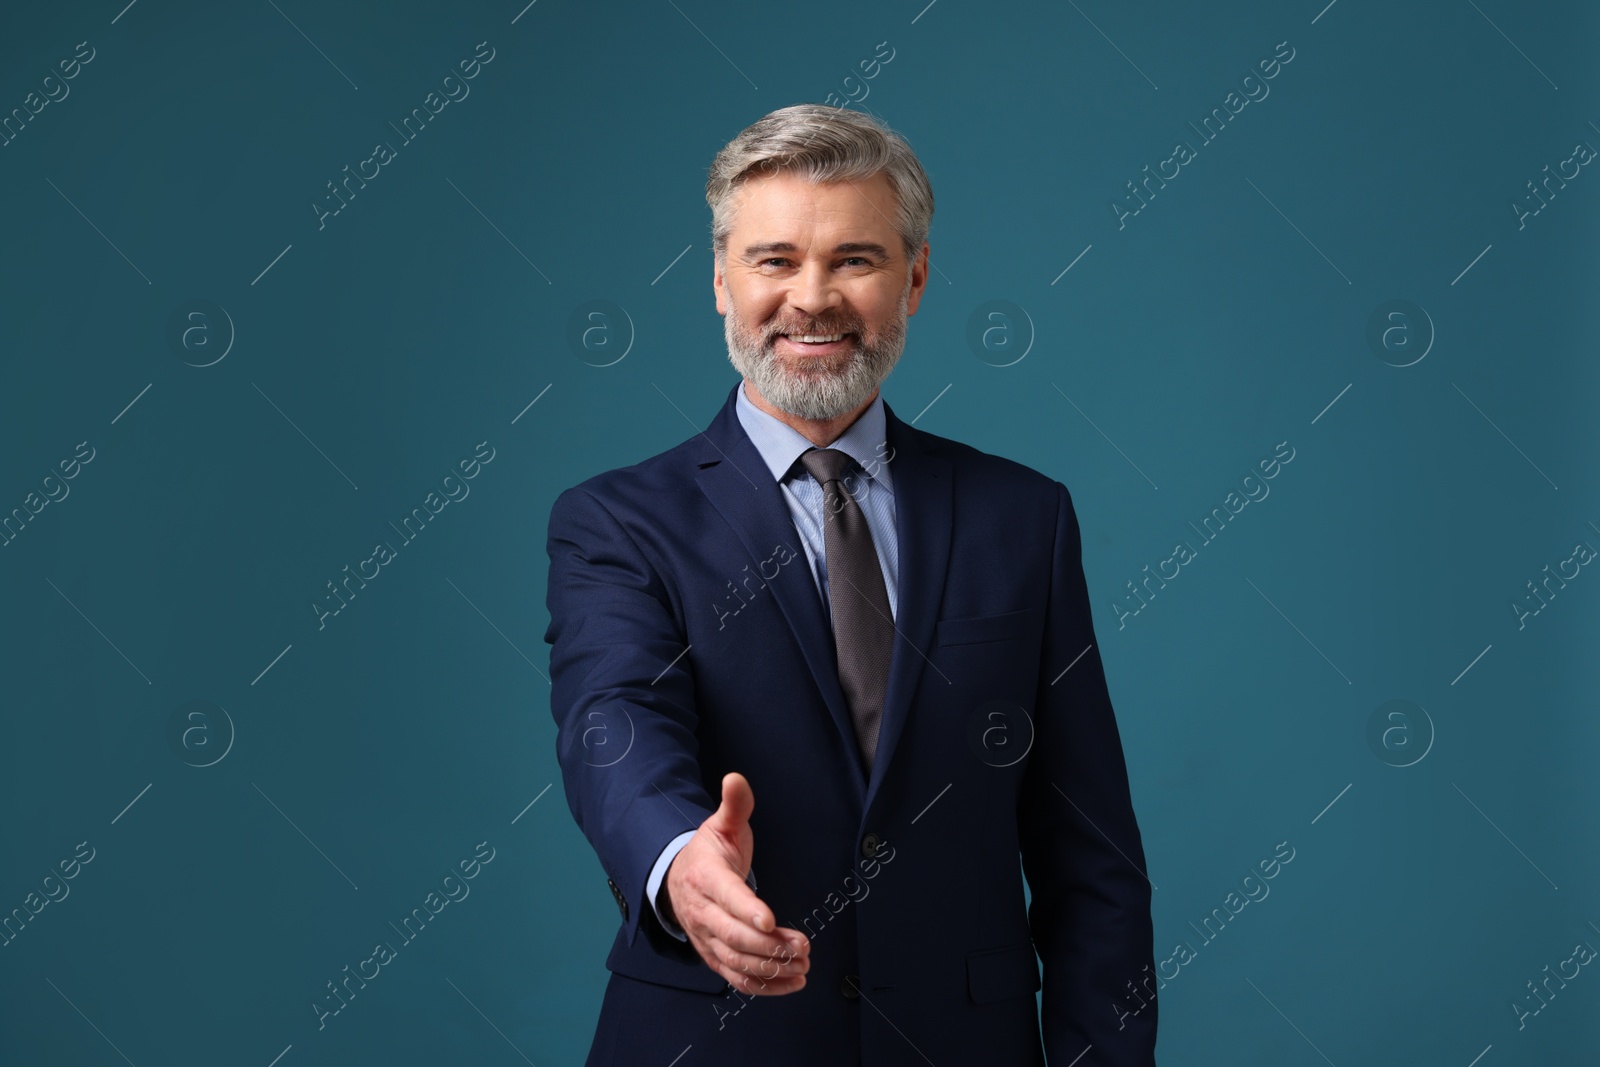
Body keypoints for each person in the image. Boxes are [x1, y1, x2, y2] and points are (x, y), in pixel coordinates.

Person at [544, 103, 1156, 1066]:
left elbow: (1093, 861)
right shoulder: (617, 522)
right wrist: (680, 862)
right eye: (773, 259)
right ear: (718, 280)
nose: (813, 298)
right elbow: (610, 726)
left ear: (914, 279)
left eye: (855, 260)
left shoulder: (1024, 517)